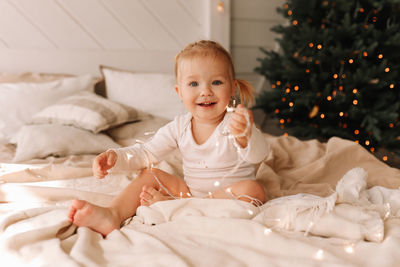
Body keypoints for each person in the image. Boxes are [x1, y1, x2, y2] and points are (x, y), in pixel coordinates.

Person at [68, 40, 270, 236]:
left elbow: (260, 154)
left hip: (228, 196)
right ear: (179, 92)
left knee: (253, 190)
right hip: (190, 193)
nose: (205, 91)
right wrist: (116, 158)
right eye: (193, 83)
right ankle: (112, 213)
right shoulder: (180, 126)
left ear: (232, 88)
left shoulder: (236, 123)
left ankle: (177, 208)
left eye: (216, 82)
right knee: (151, 173)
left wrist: (247, 136)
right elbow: (146, 153)